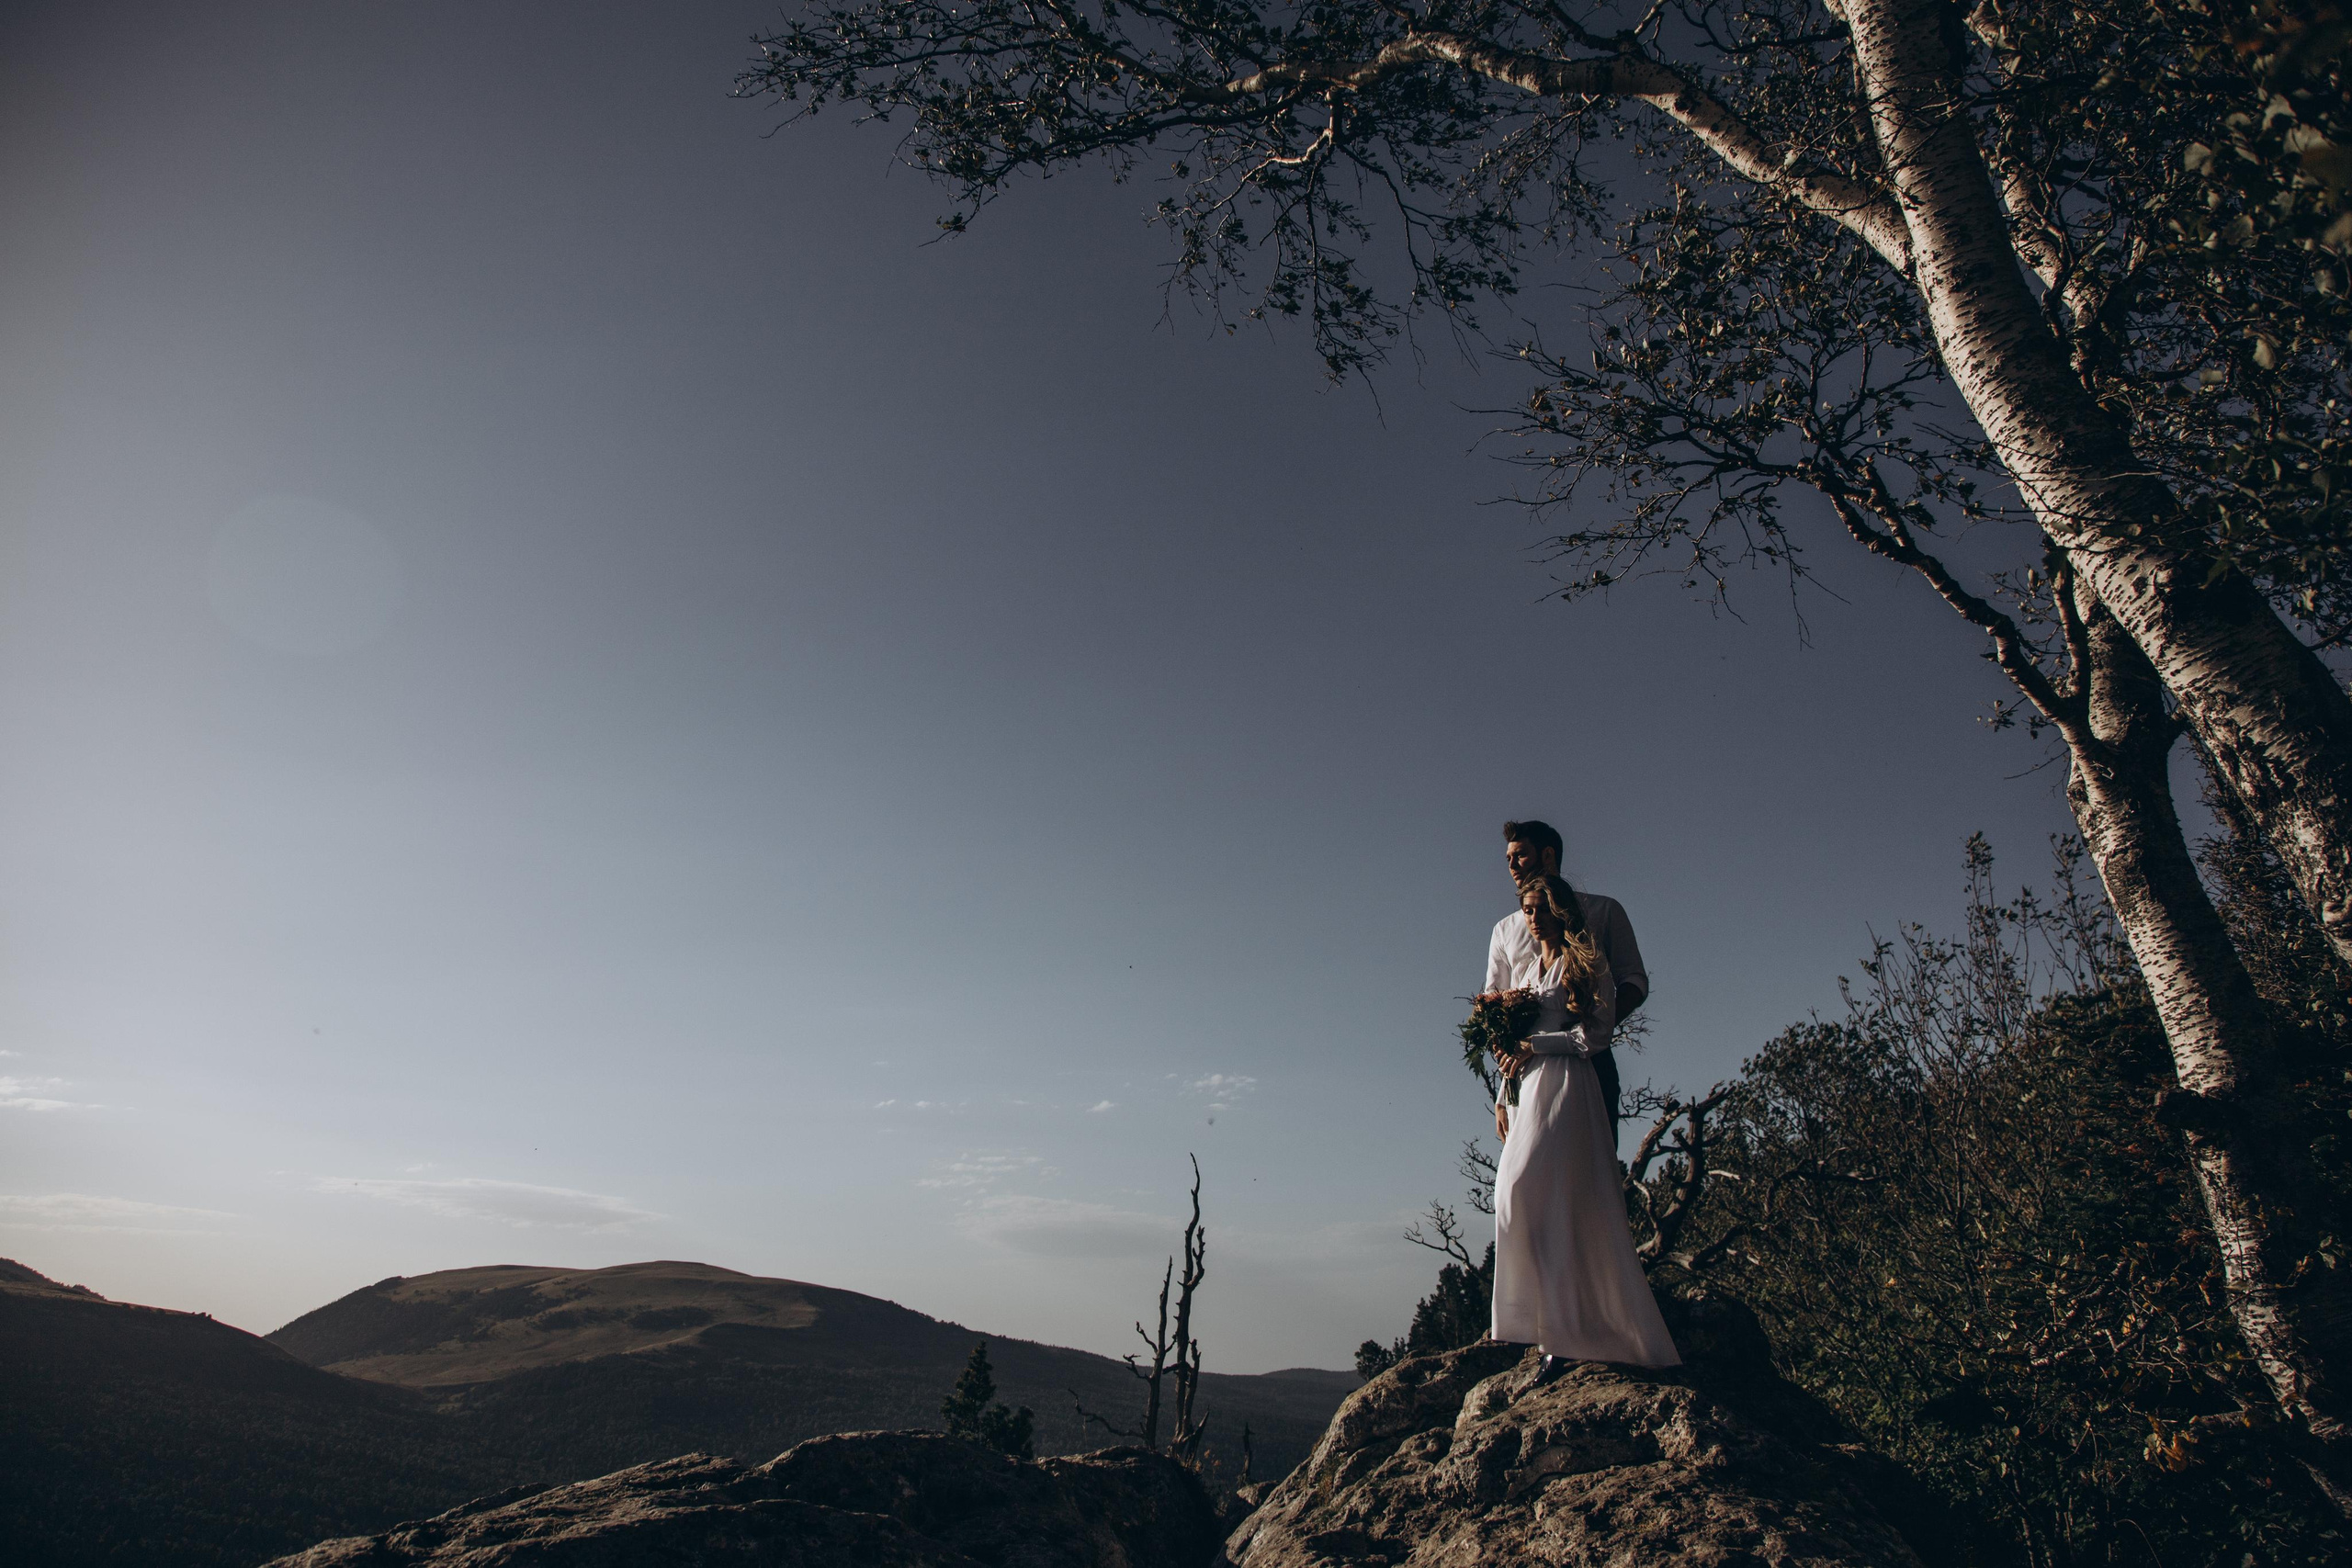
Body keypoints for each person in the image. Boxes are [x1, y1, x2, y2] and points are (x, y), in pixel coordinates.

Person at [1487, 873, 1680, 1372]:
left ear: (1560, 910)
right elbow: (1517, 1044)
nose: (1531, 918)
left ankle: (1567, 1334)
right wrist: (1507, 1087)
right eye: (1527, 910)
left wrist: (1535, 1045)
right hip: (1530, 1089)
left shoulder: (1585, 962)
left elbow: (1594, 1035)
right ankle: (1549, 1324)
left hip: (1569, 1087)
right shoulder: (1529, 971)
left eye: (1539, 908)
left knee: (1549, 1196)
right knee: (1514, 1194)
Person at [1484, 819, 1647, 1131]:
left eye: (1520, 855)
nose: (1512, 866)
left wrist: (1592, 1029)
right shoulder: (1504, 929)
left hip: (1590, 1061)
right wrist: (1504, 1091)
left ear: (1547, 855)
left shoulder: (1603, 911)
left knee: (1591, 1155)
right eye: (1508, 859)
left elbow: (1634, 981)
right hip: (1523, 1070)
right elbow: (1495, 1004)